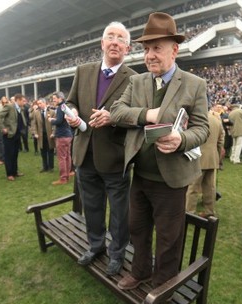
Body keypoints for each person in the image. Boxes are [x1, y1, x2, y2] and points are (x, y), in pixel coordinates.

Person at [110, 12, 209, 289]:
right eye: (146, 49)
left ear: (174, 50)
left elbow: (203, 128)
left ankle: (163, 284)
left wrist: (182, 139)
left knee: (169, 237)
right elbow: (116, 112)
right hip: (140, 175)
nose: (150, 55)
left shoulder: (194, 84)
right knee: (137, 229)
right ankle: (140, 271)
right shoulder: (137, 81)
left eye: (157, 48)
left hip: (171, 180)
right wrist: (147, 114)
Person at [64, 21, 137, 275]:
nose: (115, 41)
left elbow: (136, 117)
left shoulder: (135, 79)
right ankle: (96, 246)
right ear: (102, 43)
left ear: (127, 48)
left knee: (119, 212)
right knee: (92, 207)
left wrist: (113, 117)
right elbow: (71, 101)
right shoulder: (83, 71)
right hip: (85, 154)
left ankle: (117, 253)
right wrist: (71, 113)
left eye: (121, 39)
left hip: (115, 158)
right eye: (110, 37)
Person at [186, 106, 225, 217]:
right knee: (210, 187)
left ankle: (190, 212)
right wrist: (217, 157)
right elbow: (220, 141)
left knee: (193, 187)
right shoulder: (216, 120)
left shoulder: (195, 118)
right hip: (212, 158)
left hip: (197, 157)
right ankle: (210, 211)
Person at [0, 93, 27, 181]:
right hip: (9, 134)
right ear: (18, 100)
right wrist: (3, 128)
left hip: (17, 134)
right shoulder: (9, 106)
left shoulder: (20, 108)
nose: (24, 102)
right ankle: (9, 174)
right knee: (9, 155)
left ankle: (15, 171)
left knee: (15, 154)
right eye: (23, 101)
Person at [50, 91, 73, 185]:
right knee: (67, 156)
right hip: (68, 135)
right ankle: (68, 174)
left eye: (54, 99)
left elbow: (59, 121)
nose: (53, 100)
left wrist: (51, 120)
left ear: (60, 99)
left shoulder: (60, 108)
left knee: (62, 158)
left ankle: (63, 178)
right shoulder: (65, 106)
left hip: (62, 135)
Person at [30, 98, 55, 172]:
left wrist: (54, 133)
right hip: (41, 135)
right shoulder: (36, 112)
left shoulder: (52, 111)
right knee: (43, 151)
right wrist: (35, 133)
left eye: (40, 103)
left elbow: (54, 124)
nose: (39, 105)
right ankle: (45, 167)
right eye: (38, 103)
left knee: (50, 150)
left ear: (44, 103)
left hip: (49, 134)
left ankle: (51, 167)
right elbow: (33, 123)